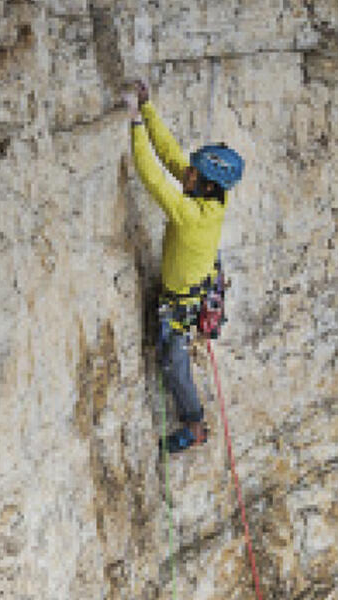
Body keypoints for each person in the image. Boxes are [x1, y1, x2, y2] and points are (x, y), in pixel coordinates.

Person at [123, 80, 244, 453]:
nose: (186, 173)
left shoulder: (192, 214)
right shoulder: (208, 196)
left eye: (194, 173)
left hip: (182, 301)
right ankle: (193, 422)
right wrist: (147, 108)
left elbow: (152, 176)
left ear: (206, 186)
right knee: (172, 359)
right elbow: (172, 156)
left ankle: (195, 425)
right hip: (196, 284)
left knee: (174, 364)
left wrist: (133, 121)